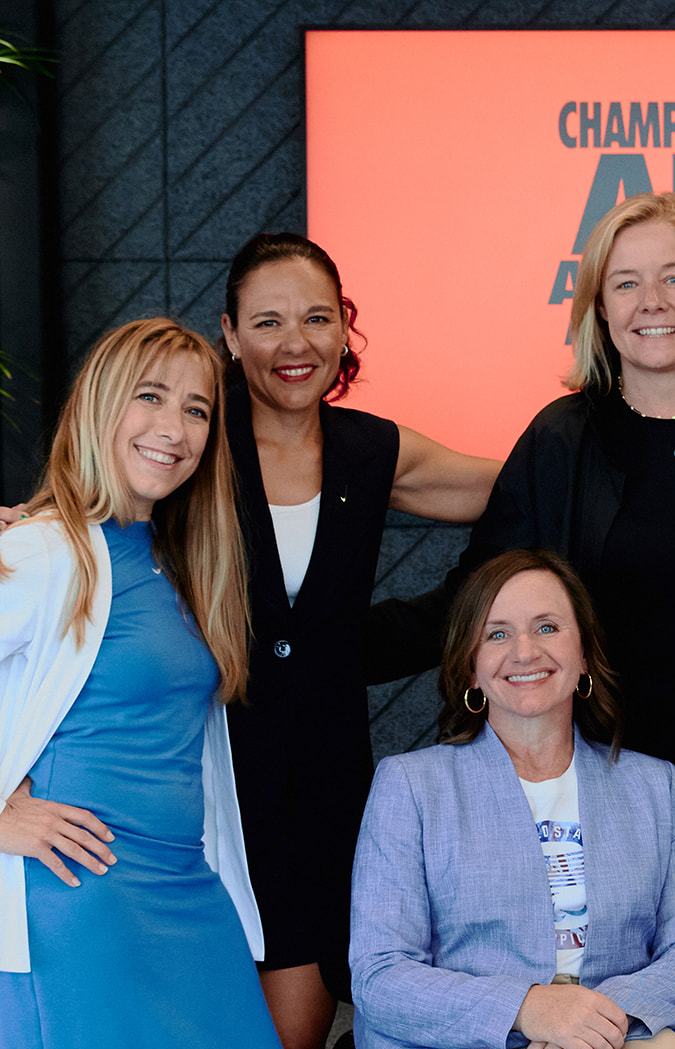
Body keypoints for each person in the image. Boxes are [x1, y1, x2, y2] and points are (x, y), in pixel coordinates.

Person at [220, 232, 501, 1049]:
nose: (294, 343)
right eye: (266, 322)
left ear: (344, 328)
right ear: (231, 334)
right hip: (201, 782)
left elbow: (512, 486)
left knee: (296, 1029)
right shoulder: (192, 443)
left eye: (316, 317)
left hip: (321, 791)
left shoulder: (369, 449)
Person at [0, 318, 282, 1049]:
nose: (174, 427)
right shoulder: (43, 549)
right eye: (149, 396)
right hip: (84, 908)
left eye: (196, 408)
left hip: (187, 894)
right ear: (100, 405)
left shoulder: (175, 565)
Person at [367, 190, 675, 764]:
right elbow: (478, 598)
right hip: (609, 770)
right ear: (600, 307)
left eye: (672, 278)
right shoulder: (562, 439)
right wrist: (316, 647)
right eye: (627, 283)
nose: (652, 302)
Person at [351, 548, 675, 1049]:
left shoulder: (656, 787)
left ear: (585, 652)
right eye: (497, 633)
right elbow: (381, 976)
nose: (525, 652)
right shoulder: (411, 787)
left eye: (547, 627)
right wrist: (527, 1010)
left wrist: (593, 1026)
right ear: (471, 667)